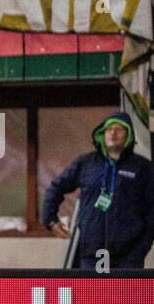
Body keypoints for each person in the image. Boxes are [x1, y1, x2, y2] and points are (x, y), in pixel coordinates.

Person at [42, 110, 154, 269]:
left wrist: (142, 247)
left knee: (123, 295)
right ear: (102, 134)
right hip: (90, 254)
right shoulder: (86, 163)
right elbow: (56, 188)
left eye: (119, 129)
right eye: (109, 129)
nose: (113, 133)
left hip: (129, 257)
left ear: (129, 135)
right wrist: (50, 220)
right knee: (92, 294)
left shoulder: (143, 167)